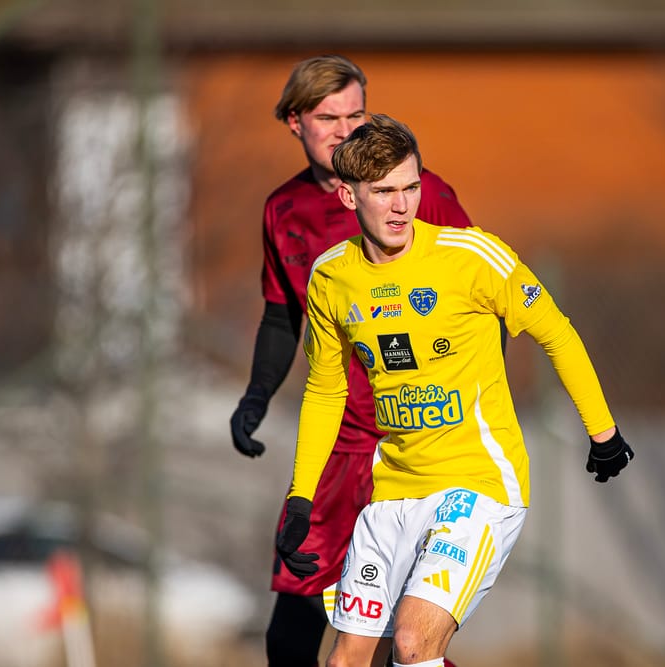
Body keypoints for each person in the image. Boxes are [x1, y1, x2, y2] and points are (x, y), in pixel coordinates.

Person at [275, 114, 634, 667]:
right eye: (384, 191)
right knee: (347, 661)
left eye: (411, 187)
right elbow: (325, 389)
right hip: (391, 492)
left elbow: (556, 332)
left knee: (415, 642)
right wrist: (301, 496)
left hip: (477, 485)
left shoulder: (472, 257)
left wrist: (602, 432)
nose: (401, 206)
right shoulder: (330, 277)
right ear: (348, 196)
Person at [229, 55, 472, 667]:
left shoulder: (422, 192)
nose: (343, 128)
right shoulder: (282, 210)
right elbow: (282, 316)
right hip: (337, 445)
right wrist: (256, 395)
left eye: (356, 113)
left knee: (408, 643)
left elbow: (479, 300)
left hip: (413, 441)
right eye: (327, 116)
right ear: (294, 122)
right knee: (291, 631)